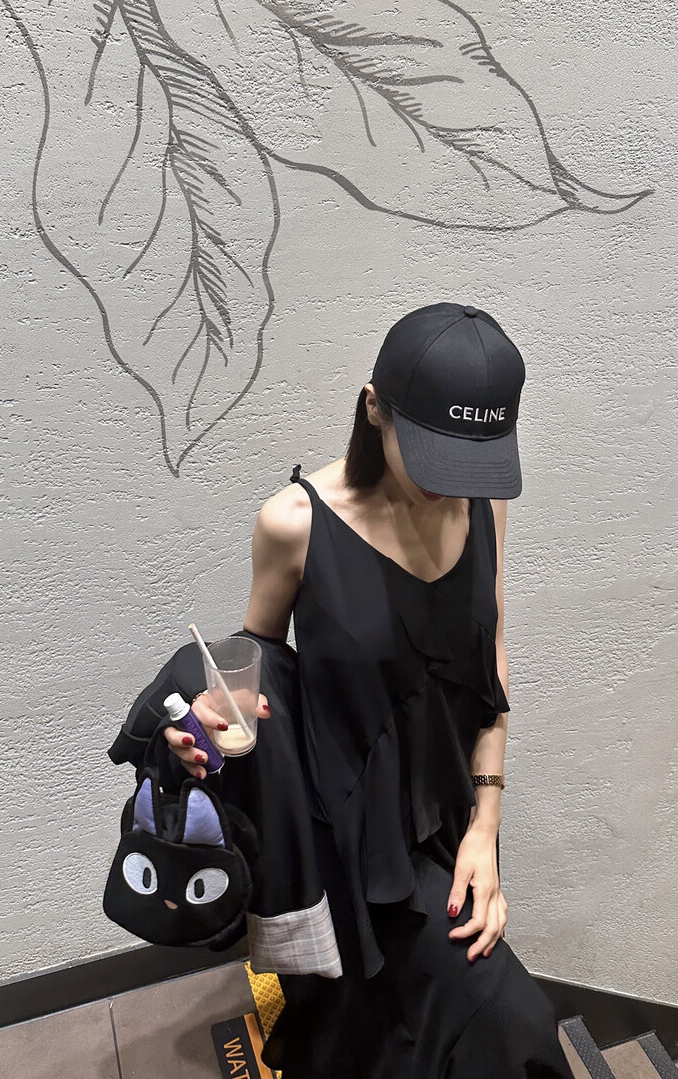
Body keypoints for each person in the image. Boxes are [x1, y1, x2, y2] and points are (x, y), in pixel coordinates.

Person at [164, 301, 577, 1079]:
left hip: (449, 816)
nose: (448, 487)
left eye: (471, 464)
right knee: (500, 1022)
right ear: (374, 407)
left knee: (428, 1026)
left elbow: (489, 655)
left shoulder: (483, 501)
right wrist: (218, 718)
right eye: (433, 458)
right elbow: (259, 663)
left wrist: (485, 825)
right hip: (347, 834)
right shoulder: (294, 522)